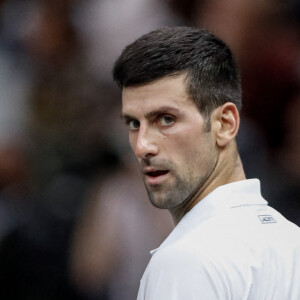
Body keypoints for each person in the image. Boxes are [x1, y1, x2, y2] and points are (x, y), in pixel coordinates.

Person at [112, 26, 300, 299]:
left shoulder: (184, 261)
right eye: (133, 123)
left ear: (225, 124)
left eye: (166, 119)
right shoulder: (291, 240)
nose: (142, 146)